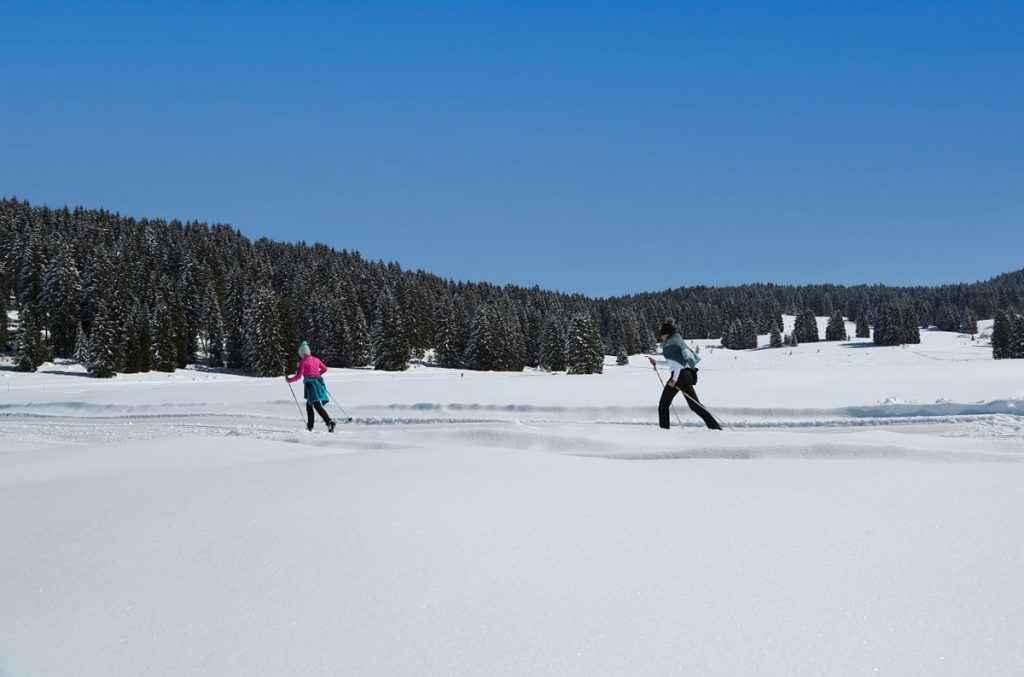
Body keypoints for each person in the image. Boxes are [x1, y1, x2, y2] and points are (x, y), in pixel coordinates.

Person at [647, 318, 722, 430]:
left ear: (667, 334)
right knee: (695, 406)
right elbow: (672, 362)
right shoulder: (677, 342)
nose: (661, 338)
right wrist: (656, 362)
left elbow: (677, 364)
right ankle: (715, 427)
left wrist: (673, 380)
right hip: (687, 375)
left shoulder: (671, 345)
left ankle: (664, 432)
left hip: (679, 376)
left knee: (663, 405)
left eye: (662, 335)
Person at [286, 341, 336, 432]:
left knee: (316, 404)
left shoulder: (303, 362)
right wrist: (317, 374)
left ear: (301, 353)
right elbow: (325, 369)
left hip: (310, 385)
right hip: (318, 383)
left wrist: (289, 380)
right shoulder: (316, 359)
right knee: (309, 405)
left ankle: (329, 422)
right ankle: (310, 426)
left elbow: (298, 376)